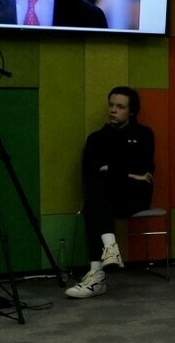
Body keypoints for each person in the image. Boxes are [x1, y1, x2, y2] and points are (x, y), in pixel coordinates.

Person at [64, 87, 155, 298]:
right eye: (111, 105)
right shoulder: (96, 138)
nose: (113, 110)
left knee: (98, 195)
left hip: (134, 196)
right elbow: (91, 170)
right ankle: (108, 250)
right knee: (96, 196)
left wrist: (111, 169)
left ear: (132, 111)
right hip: (107, 197)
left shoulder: (144, 134)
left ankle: (98, 273)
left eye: (120, 107)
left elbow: (145, 166)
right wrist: (131, 173)